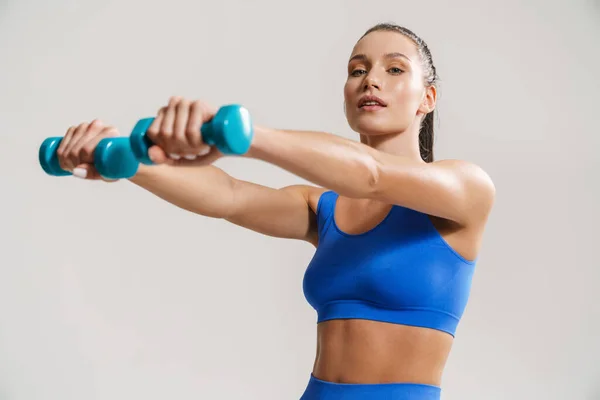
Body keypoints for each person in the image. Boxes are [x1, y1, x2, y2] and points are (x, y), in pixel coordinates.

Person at [55, 22, 495, 400]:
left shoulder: (465, 190)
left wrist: (242, 136)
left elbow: (372, 173)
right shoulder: (323, 207)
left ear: (428, 98)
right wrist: (123, 162)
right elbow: (229, 196)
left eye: (394, 69)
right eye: (357, 70)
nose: (370, 80)